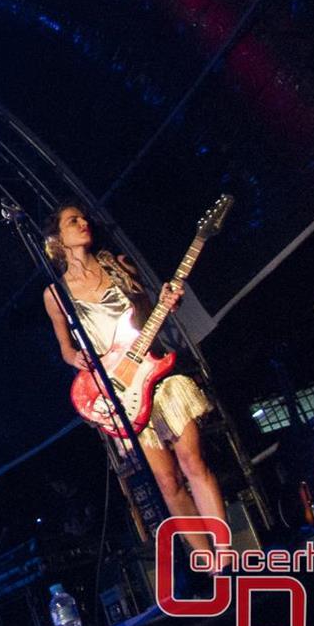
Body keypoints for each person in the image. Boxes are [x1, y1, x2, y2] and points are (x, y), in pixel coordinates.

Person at [42, 203, 226, 529]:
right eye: (73, 221)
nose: (84, 222)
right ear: (57, 239)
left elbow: (145, 312)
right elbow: (65, 350)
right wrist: (76, 358)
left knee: (193, 461)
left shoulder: (116, 265)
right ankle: (207, 563)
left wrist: (169, 302)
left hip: (157, 374)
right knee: (168, 482)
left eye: (84, 217)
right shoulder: (55, 294)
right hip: (121, 391)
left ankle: (224, 551)